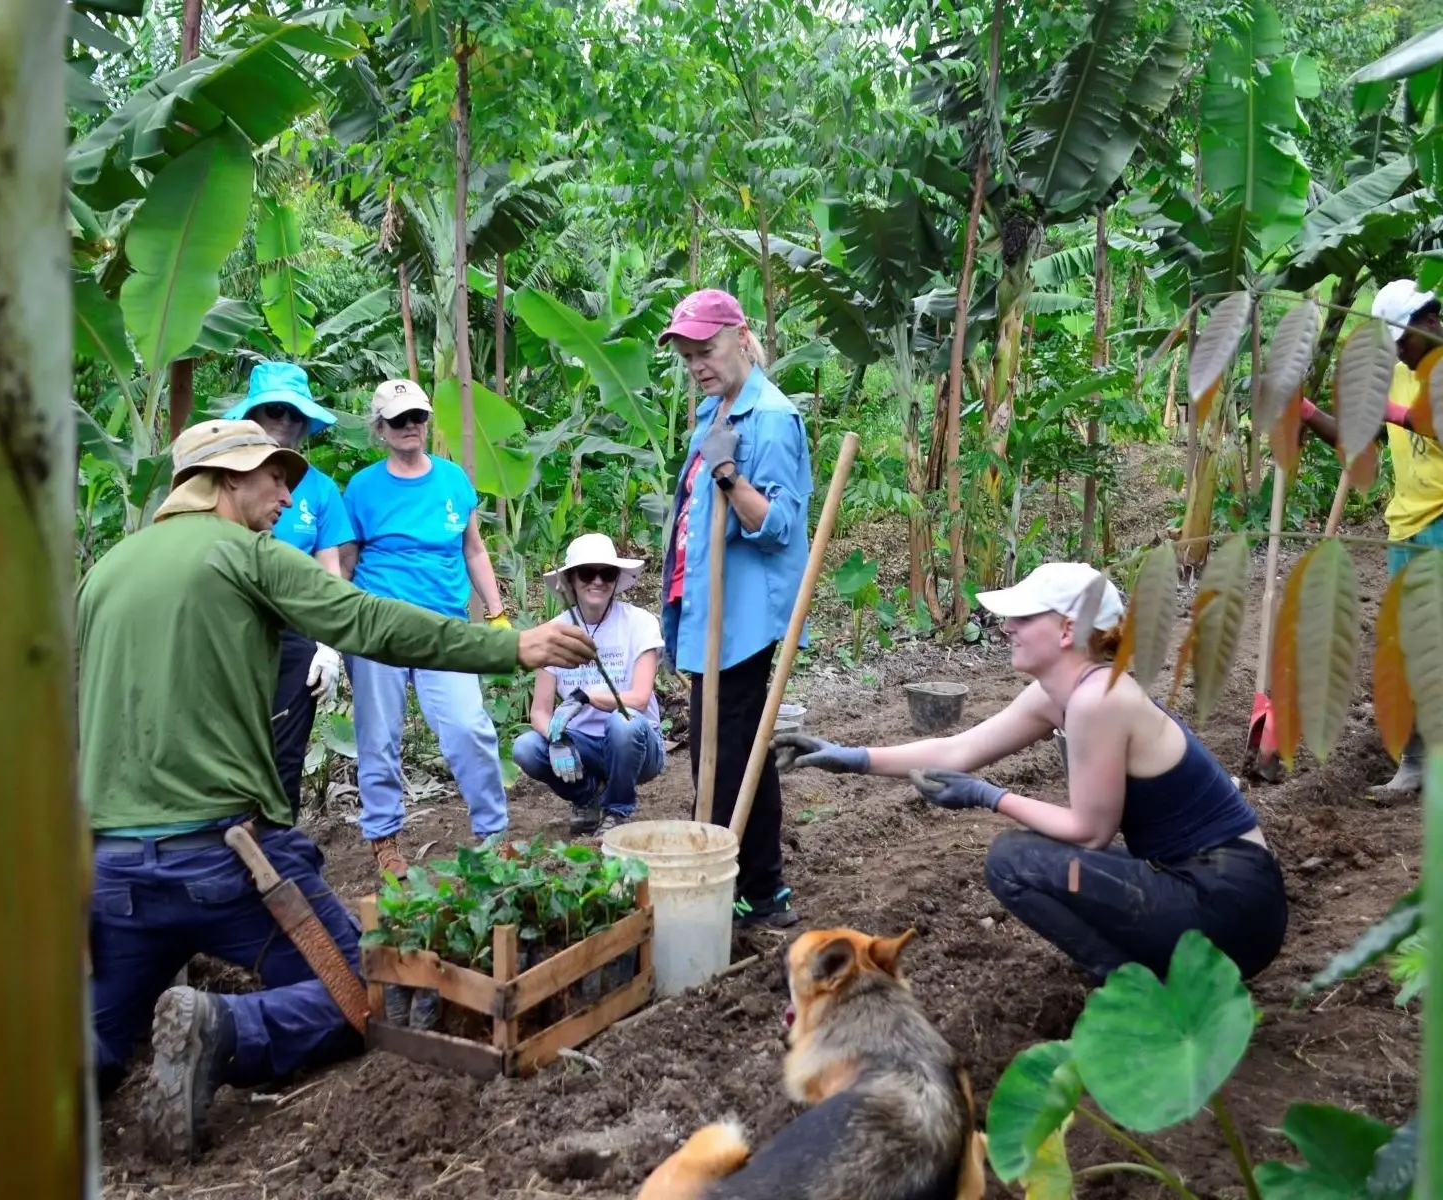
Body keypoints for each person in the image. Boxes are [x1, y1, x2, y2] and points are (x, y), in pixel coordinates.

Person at [81, 419, 594, 1161]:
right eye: (272, 476)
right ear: (224, 481)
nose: (288, 494)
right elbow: (364, 618)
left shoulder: (106, 571)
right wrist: (508, 644)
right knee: (367, 995)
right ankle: (227, 1030)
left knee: (97, 1038)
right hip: (228, 865)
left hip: (113, 875)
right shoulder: (245, 555)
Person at [771, 562, 1289, 985]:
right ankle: (1143, 971)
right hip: (1201, 888)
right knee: (1036, 857)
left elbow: (1090, 831)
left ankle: (1129, 983)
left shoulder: (1097, 700)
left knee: (1015, 860)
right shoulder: (1063, 694)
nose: (1005, 627)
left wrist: (988, 797)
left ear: (1068, 630)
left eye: (1023, 617)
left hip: (1229, 909)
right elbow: (959, 749)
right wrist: (852, 757)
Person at [658, 289, 813, 928]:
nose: (698, 363)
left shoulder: (770, 419)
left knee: (724, 761)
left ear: (741, 336)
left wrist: (729, 476)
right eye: (689, 354)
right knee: (728, 752)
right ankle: (759, 885)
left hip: (743, 617)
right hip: (707, 609)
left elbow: (778, 524)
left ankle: (750, 889)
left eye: (708, 349)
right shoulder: (714, 410)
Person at [342, 379, 516, 878]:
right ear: (379, 429)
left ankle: (493, 832)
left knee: (468, 727)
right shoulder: (363, 488)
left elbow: (474, 549)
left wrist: (496, 610)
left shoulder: (452, 480)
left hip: (445, 627)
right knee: (378, 737)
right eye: (398, 420)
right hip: (379, 627)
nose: (410, 427)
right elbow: (348, 560)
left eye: (416, 417)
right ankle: (384, 839)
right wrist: (336, 633)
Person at [1301, 278, 1441, 797]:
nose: (1399, 354)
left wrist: (1398, 413)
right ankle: (1418, 762)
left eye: (1402, 342)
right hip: (1405, 527)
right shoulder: (1401, 376)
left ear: (1429, 322)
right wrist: (1310, 414)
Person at [222, 361, 353, 816]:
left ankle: (275, 852)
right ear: (252, 416)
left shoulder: (318, 491)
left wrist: (330, 645)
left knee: (284, 752)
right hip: (227, 628)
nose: (284, 423)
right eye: (274, 410)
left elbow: (330, 572)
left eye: (295, 414)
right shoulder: (223, 477)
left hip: (294, 635)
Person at [512, 533, 667, 836]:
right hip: (582, 744)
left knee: (625, 724)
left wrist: (585, 696)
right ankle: (588, 798)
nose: (597, 581)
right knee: (526, 747)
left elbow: (638, 698)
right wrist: (556, 738)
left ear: (616, 579)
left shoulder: (640, 623)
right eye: (587, 573)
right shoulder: (555, 631)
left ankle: (617, 811)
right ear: (570, 580)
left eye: (606, 573)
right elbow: (540, 711)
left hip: (637, 744)